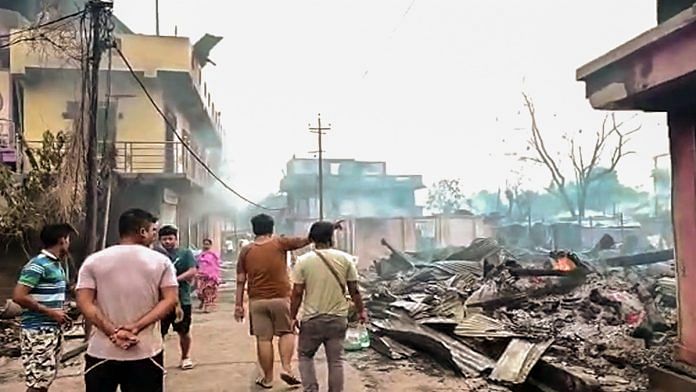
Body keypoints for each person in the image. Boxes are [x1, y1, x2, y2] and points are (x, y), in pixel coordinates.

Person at [75, 209, 178, 392]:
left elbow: (84, 303)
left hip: (101, 352)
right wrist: (136, 327)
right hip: (146, 351)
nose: (155, 236)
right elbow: (170, 300)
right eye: (153, 231)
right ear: (142, 232)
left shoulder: (93, 261)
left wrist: (112, 331)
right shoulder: (161, 262)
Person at [235, 214, 312, 389]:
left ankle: (267, 379)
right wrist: (327, 228)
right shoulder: (280, 243)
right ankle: (286, 368)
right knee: (286, 332)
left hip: (257, 301)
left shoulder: (246, 250)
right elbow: (305, 240)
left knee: (263, 339)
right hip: (282, 298)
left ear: (253, 229)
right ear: (272, 228)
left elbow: (240, 279)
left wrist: (239, 305)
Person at [290, 221, 366, 392]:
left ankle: (311, 389)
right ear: (331, 238)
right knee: (336, 361)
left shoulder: (303, 261)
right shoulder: (346, 259)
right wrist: (361, 311)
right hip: (338, 319)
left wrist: (292, 316)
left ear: (312, 239)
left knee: (305, 355)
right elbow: (355, 291)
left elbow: (296, 293)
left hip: (312, 320)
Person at [12, 223, 75, 392]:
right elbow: (19, 296)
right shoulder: (37, 265)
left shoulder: (56, 265)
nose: (69, 243)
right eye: (68, 239)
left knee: (45, 378)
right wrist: (51, 312)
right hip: (38, 330)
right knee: (38, 382)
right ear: (62, 240)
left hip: (51, 329)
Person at [158, 225, 198, 370]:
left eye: (170, 238)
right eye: (164, 239)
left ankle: (185, 357)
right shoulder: (156, 254)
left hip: (183, 299)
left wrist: (174, 279)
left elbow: (193, 270)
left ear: (176, 239)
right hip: (161, 301)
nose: (167, 242)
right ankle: (158, 363)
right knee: (158, 334)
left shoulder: (185, 253)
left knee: (184, 331)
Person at [196, 238, 222, 313]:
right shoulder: (200, 255)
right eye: (205, 244)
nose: (206, 246)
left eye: (208, 244)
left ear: (210, 245)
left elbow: (216, 266)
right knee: (200, 292)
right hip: (201, 277)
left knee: (208, 292)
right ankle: (202, 301)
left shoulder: (213, 255)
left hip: (211, 277)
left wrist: (216, 276)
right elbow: (198, 265)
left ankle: (207, 307)